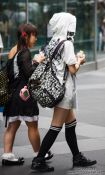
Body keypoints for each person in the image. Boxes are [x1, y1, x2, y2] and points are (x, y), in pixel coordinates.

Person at [31, 12, 97, 173]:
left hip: (57, 87)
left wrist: (73, 60)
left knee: (71, 124)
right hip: (64, 91)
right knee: (56, 126)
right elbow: (73, 70)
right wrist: (80, 60)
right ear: (67, 25)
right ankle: (39, 159)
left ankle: (77, 157)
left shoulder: (54, 41)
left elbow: (59, 63)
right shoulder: (67, 44)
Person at [1, 23, 53, 166]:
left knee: (12, 126)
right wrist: (37, 61)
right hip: (24, 96)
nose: (35, 38)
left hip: (13, 95)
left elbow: (11, 73)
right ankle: (39, 154)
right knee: (33, 125)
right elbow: (30, 73)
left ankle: (7, 155)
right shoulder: (25, 52)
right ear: (26, 36)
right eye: (34, 35)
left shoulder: (14, 50)